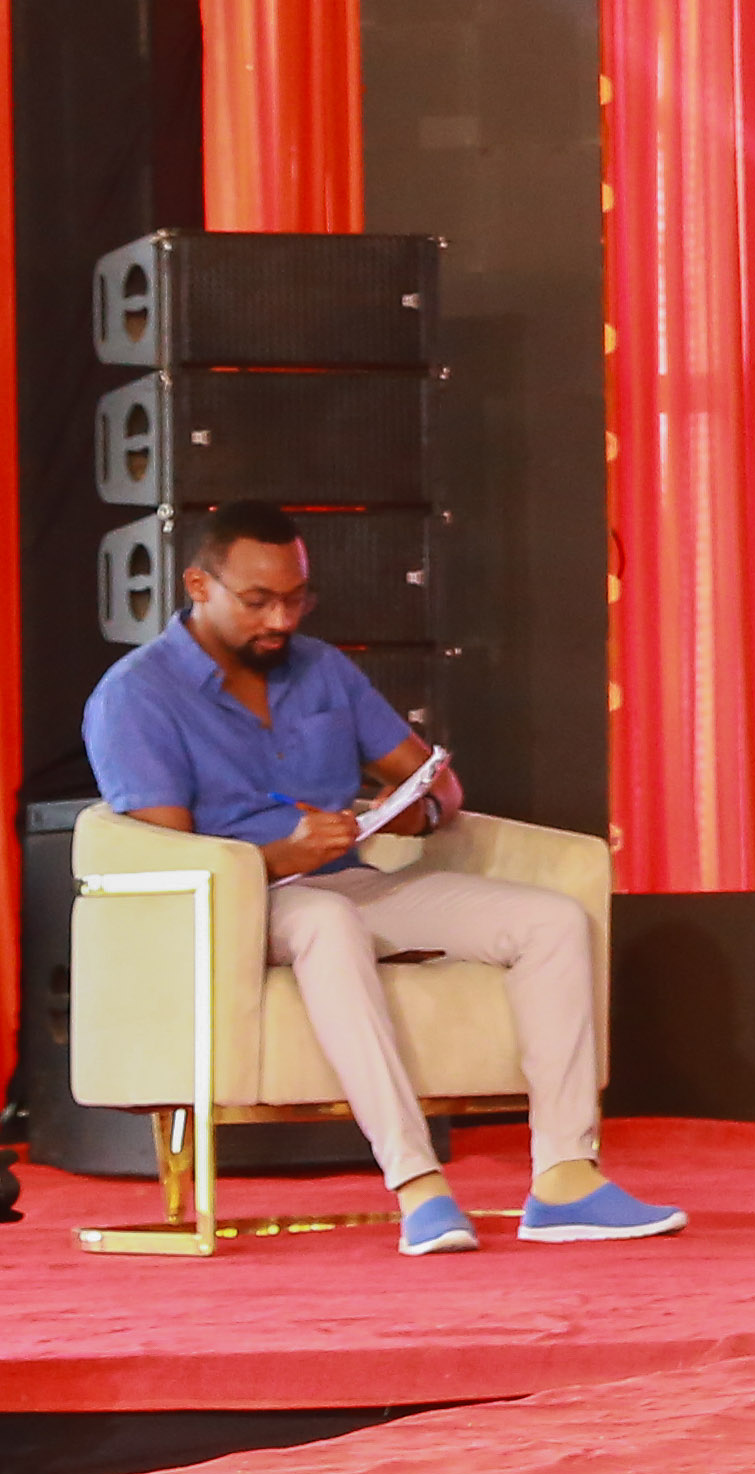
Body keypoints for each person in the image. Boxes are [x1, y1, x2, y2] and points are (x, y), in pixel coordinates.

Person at [81, 503, 684, 1251]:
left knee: (551, 920)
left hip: (347, 880)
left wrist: (416, 816)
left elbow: (437, 782)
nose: (280, 620)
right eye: (258, 601)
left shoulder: (322, 669)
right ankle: (418, 1184)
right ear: (199, 586)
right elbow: (169, 862)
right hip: (238, 907)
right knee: (326, 922)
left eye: (296, 598)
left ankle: (566, 1179)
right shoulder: (136, 694)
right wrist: (281, 857)